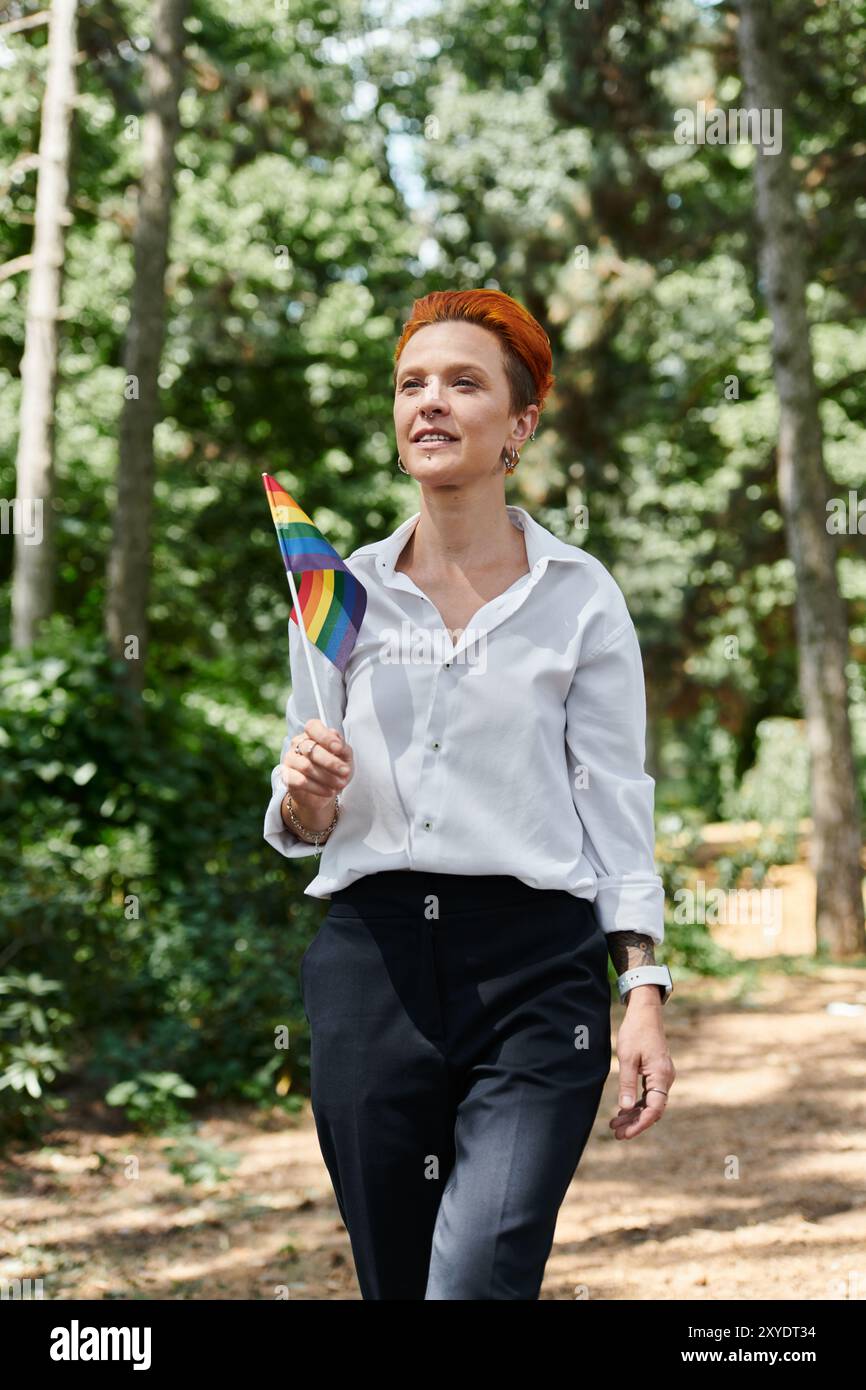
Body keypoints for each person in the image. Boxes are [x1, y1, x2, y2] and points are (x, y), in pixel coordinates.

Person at [264, 288, 676, 1300]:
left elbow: (615, 797)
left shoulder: (579, 596)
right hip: (370, 965)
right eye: (411, 384)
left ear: (518, 425)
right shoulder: (337, 592)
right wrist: (305, 797)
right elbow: (304, 813)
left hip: (537, 973)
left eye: (462, 383)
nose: (430, 403)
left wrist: (643, 991)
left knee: (475, 1282)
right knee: (397, 1285)